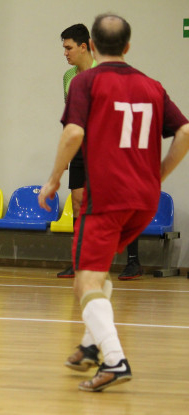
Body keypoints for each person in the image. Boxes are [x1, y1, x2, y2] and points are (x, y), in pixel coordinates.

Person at [39, 14, 189, 391]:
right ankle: (91, 345)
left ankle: (115, 359)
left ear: (92, 45)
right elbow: (185, 131)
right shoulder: (152, 85)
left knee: (85, 280)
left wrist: (53, 179)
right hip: (144, 199)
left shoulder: (85, 81)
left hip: (107, 197)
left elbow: (73, 133)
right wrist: (158, 175)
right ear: (127, 46)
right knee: (97, 272)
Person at [56, 23, 142, 280]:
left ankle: (134, 261)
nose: (65, 53)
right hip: (80, 148)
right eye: (64, 48)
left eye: (69, 48)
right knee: (77, 202)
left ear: (84, 47)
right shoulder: (68, 77)